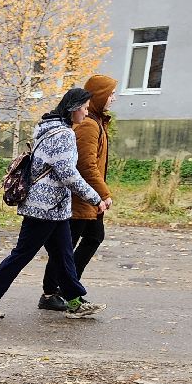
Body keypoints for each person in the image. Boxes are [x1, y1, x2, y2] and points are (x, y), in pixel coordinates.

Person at [0, 87, 106, 319]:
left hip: (54, 208)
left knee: (63, 256)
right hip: (43, 208)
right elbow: (67, 174)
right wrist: (95, 198)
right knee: (22, 254)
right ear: (73, 109)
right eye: (83, 108)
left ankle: (74, 302)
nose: (85, 113)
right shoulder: (63, 134)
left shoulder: (48, 128)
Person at [41, 74, 116, 311]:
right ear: (100, 95)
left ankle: (68, 288)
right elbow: (85, 165)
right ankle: (52, 292)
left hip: (89, 199)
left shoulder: (97, 122)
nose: (114, 98)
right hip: (80, 198)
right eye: (111, 93)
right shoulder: (88, 125)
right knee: (66, 245)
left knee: (93, 237)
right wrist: (103, 193)